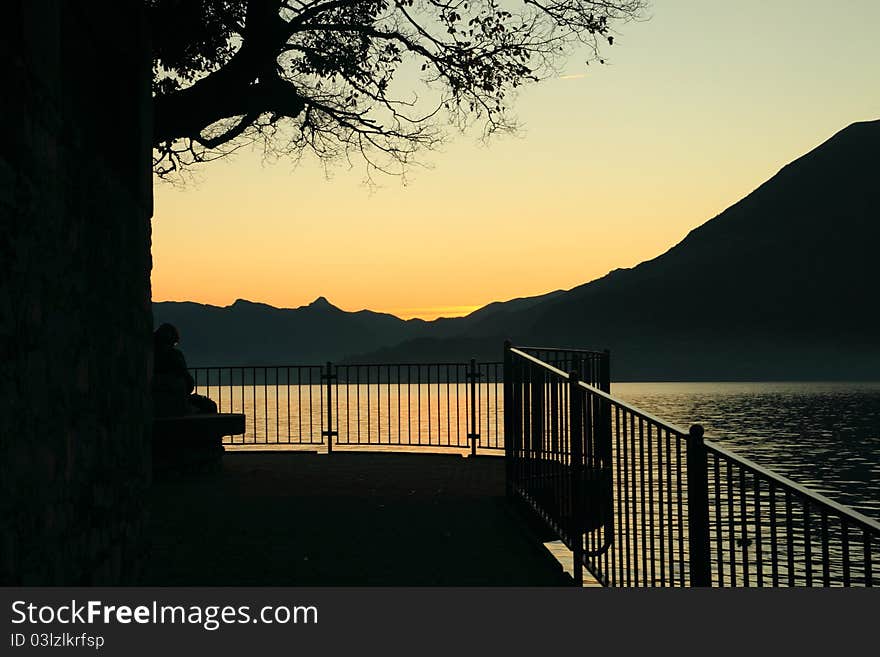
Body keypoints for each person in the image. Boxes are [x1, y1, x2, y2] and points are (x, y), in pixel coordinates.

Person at [152, 323, 217, 416]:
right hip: (179, 405)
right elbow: (189, 384)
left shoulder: (150, 357)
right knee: (210, 406)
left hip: (157, 407)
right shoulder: (175, 356)